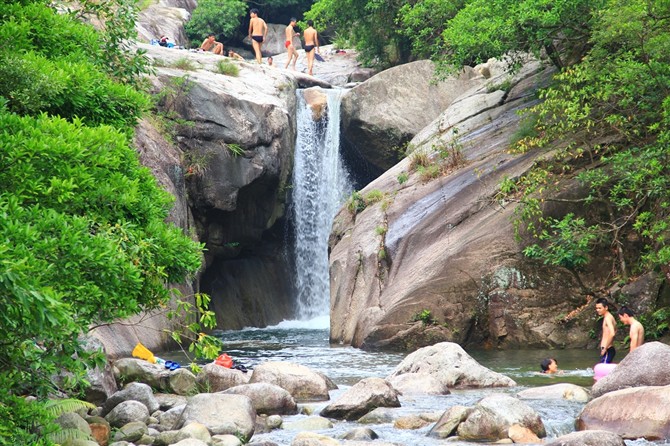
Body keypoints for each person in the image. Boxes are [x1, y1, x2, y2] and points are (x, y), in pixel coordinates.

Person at [595, 297, 617, 363]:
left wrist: (605, 348)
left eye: (600, 308)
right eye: (596, 308)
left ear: (606, 307)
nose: (598, 310)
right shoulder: (609, 317)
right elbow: (615, 329)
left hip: (608, 349)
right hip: (608, 349)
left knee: (603, 371)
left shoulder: (608, 318)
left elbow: (612, 333)